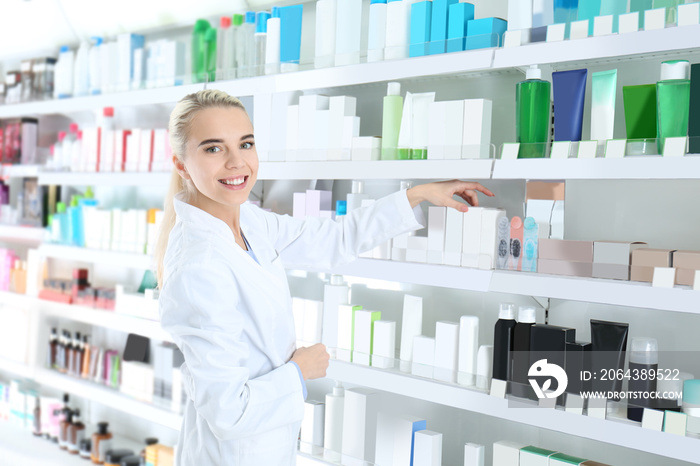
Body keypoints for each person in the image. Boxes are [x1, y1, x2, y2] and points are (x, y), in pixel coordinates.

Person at [155, 89, 494, 465]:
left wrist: (416, 195)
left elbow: (334, 240)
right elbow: (228, 411)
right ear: (182, 164)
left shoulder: (249, 222)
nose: (237, 162)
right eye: (214, 149)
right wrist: (299, 371)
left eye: (245, 144)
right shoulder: (198, 267)